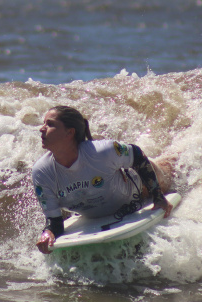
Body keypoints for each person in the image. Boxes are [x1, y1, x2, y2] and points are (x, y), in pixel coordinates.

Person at [32, 105, 174, 254]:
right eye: (44, 123)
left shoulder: (101, 151)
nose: (42, 128)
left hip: (140, 187)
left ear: (70, 132)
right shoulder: (42, 172)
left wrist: (158, 196)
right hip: (96, 213)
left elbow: (137, 155)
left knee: (171, 173)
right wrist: (49, 233)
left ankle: (179, 153)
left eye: (50, 124)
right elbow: (54, 221)